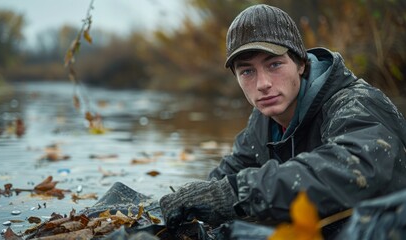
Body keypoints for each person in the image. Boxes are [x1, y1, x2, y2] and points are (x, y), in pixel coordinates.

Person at [159, 3, 406, 238]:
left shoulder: (356, 102)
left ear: (301, 63)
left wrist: (238, 193)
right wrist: (191, 201)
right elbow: (230, 174)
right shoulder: (262, 122)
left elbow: (358, 169)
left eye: (274, 64)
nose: (263, 83)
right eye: (247, 71)